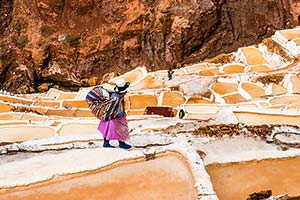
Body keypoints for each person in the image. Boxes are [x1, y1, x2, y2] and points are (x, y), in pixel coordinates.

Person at [98, 78, 132, 149]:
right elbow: (113, 108)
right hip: (115, 116)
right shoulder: (116, 98)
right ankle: (120, 143)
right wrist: (119, 114)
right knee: (118, 129)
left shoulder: (116, 95)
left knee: (109, 128)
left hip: (112, 116)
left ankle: (108, 143)